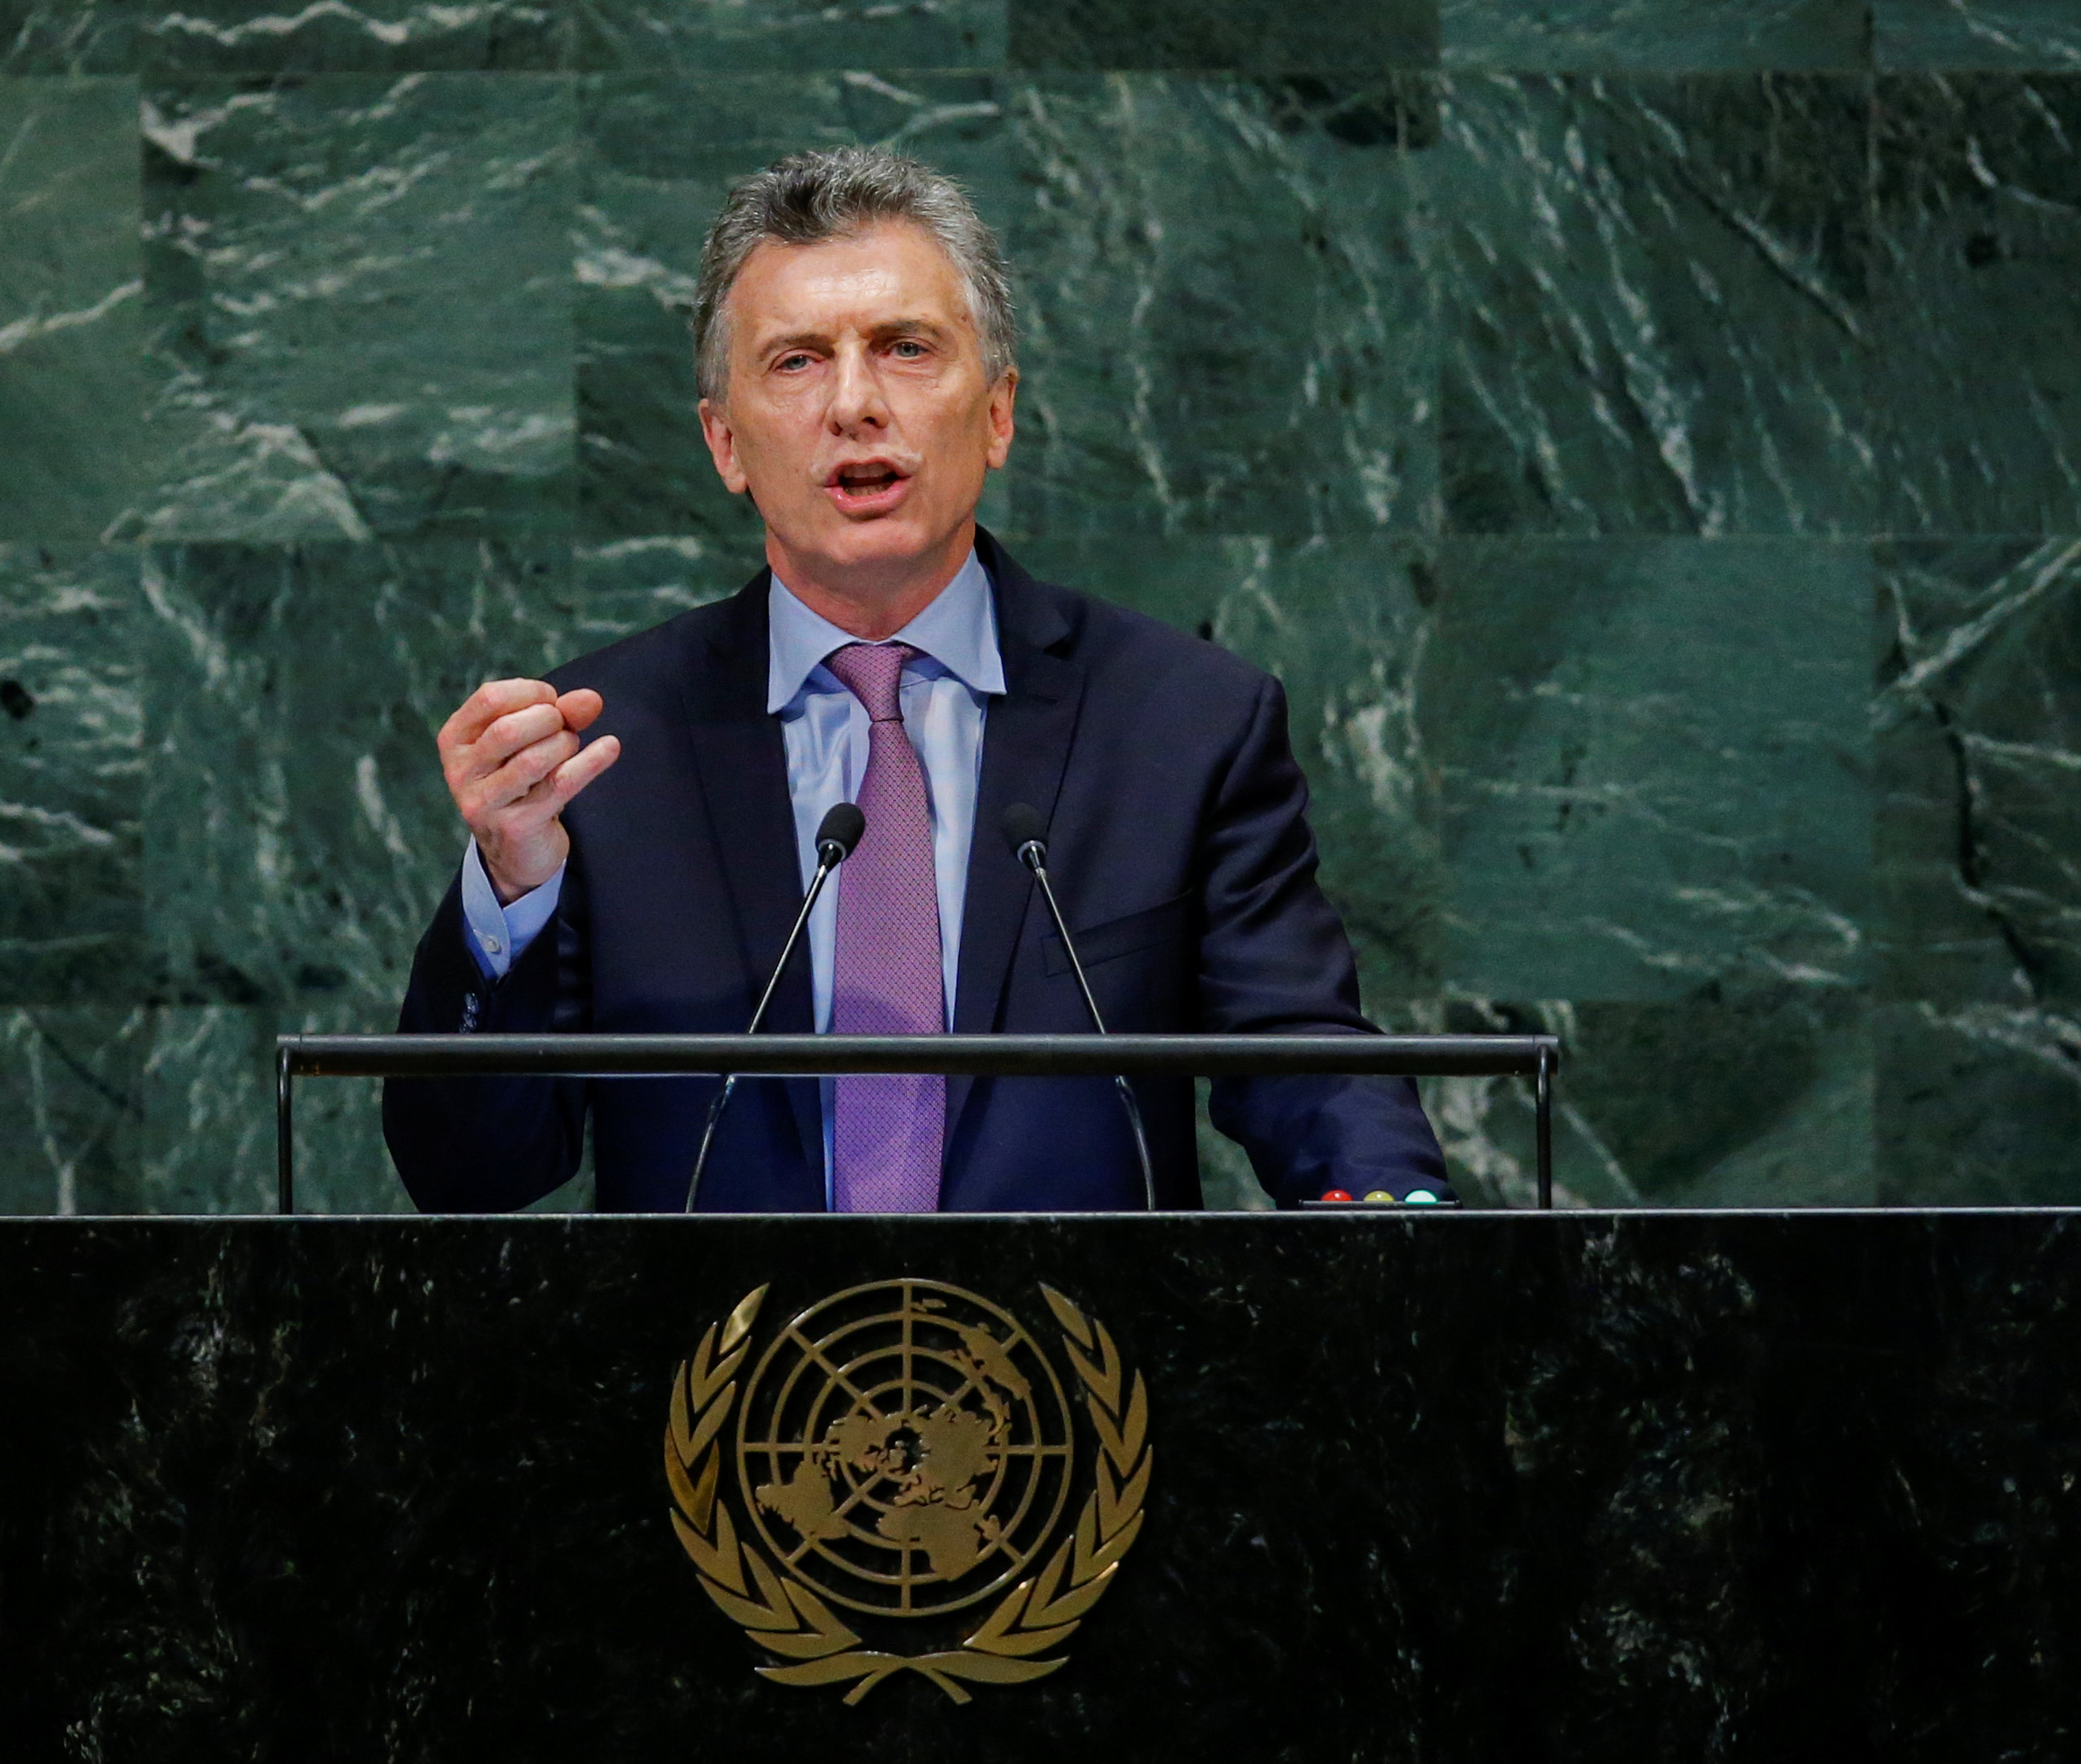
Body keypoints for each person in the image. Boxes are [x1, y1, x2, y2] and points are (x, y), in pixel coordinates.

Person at [383, 146, 1451, 1213]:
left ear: (996, 413)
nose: (855, 403)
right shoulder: (604, 752)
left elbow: (1300, 1051)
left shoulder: (1182, 723)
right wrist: (511, 886)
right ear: (724, 443)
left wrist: (1394, 1210)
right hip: (723, 1375)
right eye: (797, 361)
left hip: (1070, 1368)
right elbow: (465, 1172)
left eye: (904, 347)